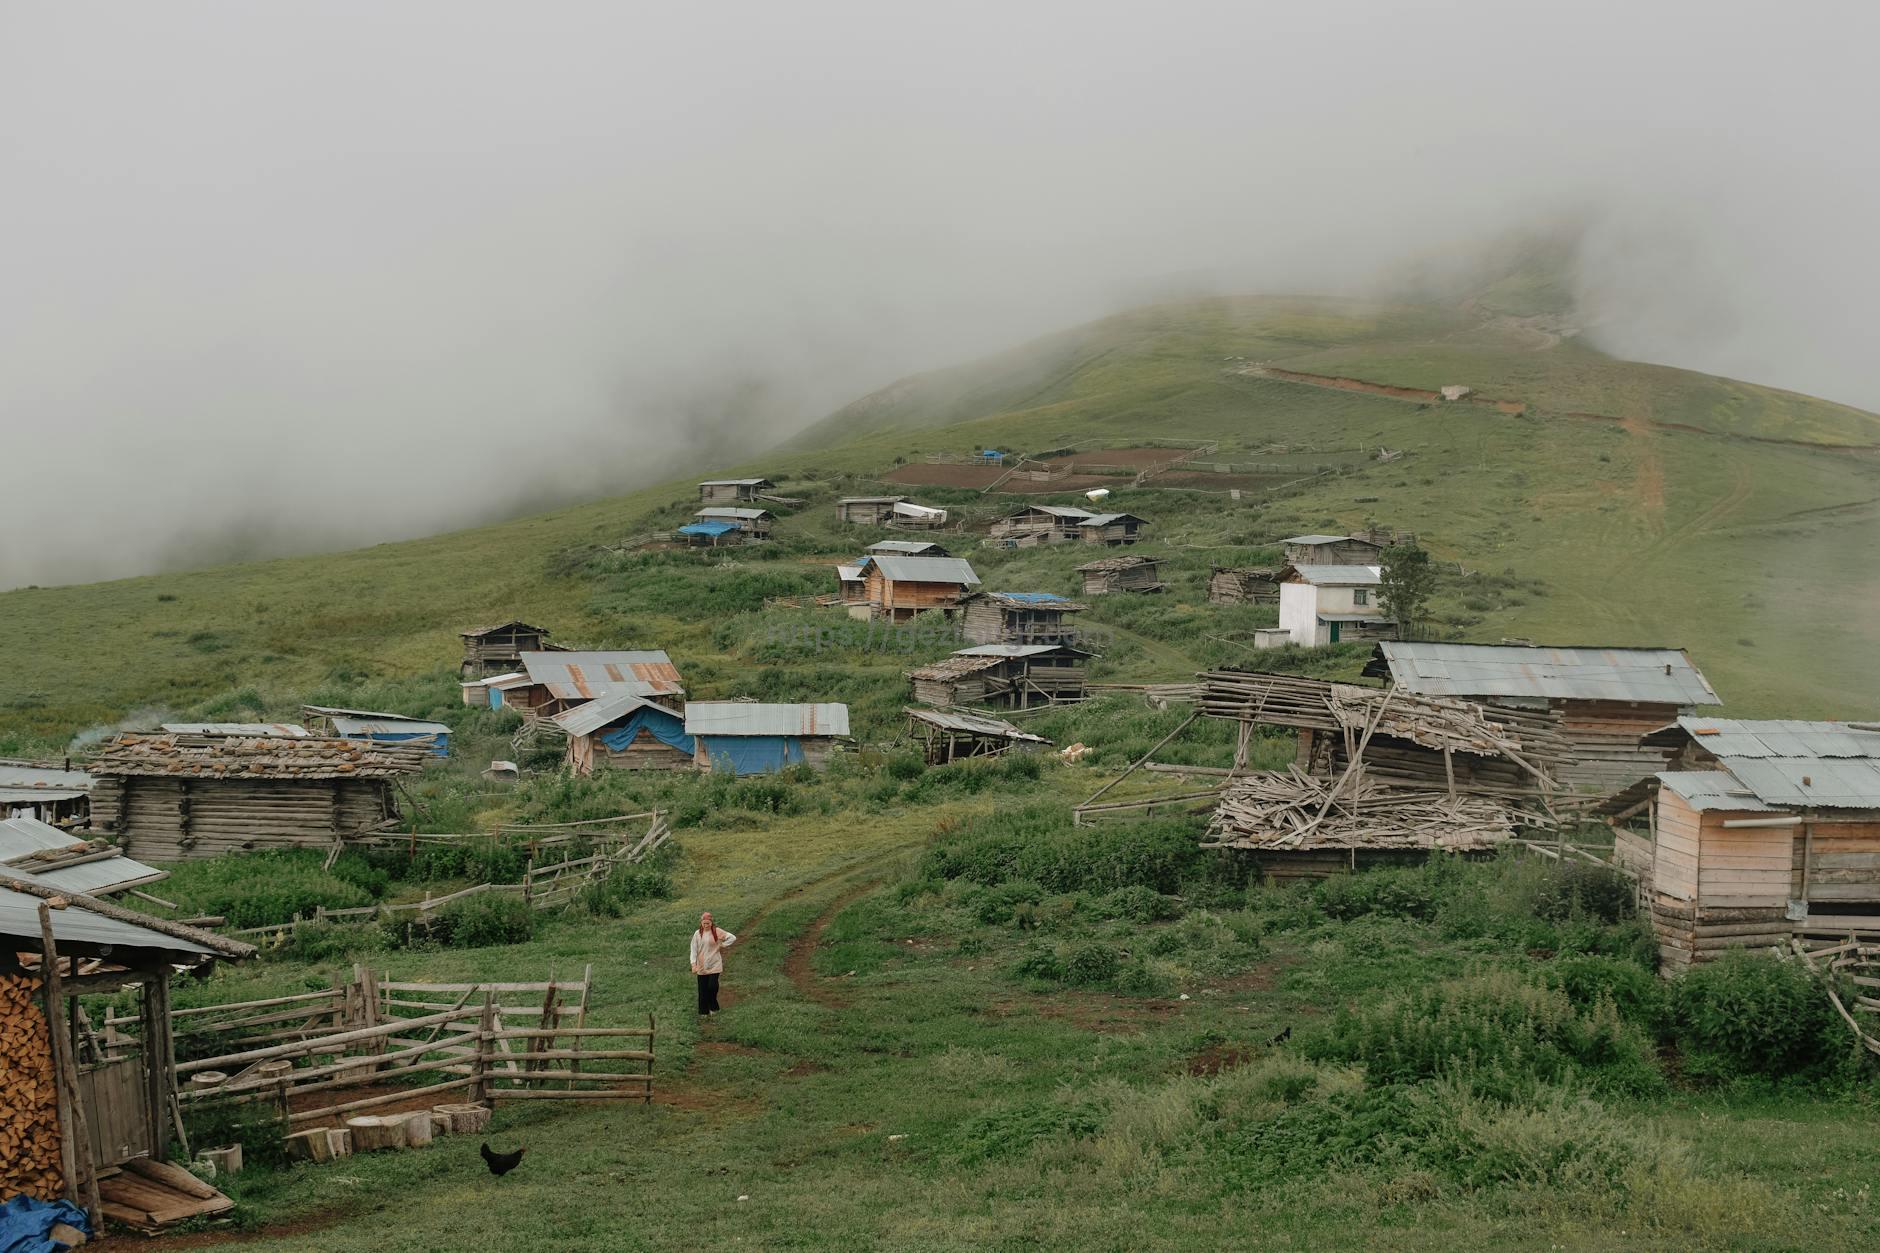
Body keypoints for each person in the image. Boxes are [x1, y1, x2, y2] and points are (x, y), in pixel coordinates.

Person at [689, 911, 737, 1016]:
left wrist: (722, 945)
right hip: (702, 966)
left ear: (711, 922)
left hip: (715, 964)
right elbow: (693, 949)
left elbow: (732, 938)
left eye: (708, 923)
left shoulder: (717, 931)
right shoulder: (697, 934)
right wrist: (693, 964)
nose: (706, 925)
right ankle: (703, 1012)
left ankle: (713, 1006)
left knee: (712, 986)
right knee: (702, 990)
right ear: (701, 923)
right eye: (704, 923)